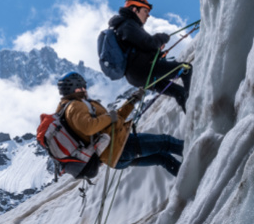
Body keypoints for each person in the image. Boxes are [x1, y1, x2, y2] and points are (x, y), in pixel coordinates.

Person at [56, 71, 184, 177]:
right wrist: (108, 117)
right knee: (166, 142)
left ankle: (187, 177)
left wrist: (131, 102)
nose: (85, 90)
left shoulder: (70, 108)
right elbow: (89, 127)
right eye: (82, 87)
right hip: (120, 145)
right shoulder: (75, 106)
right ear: (75, 88)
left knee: (162, 158)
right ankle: (202, 155)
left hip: (115, 157)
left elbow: (111, 121)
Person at [108, 0, 192, 111]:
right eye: (145, 11)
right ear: (134, 9)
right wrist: (161, 37)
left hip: (137, 76)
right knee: (186, 69)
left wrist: (157, 52)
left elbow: (140, 48)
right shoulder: (128, 25)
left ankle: (190, 118)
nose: (148, 15)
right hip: (144, 69)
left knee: (180, 92)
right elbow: (148, 43)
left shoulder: (124, 27)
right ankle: (196, 106)